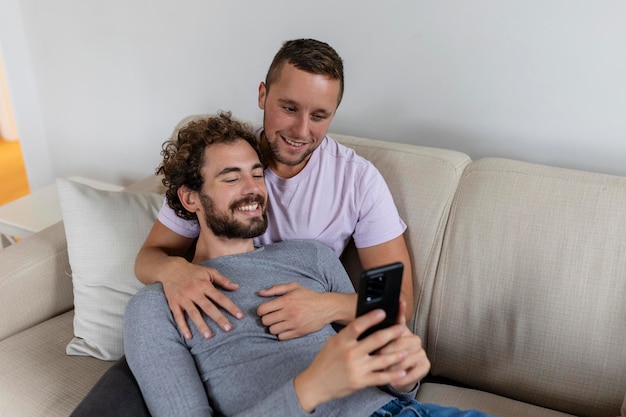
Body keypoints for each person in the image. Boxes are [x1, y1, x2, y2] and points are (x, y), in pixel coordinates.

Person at [124, 112, 493, 417]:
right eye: (232, 178)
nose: (252, 189)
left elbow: (385, 370)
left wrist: (403, 373)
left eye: (256, 173)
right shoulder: (154, 307)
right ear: (191, 198)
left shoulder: (311, 256)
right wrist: (309, 389)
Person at [134, 38, 414, 342]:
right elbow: (149, 257)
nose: (301, 131)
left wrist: (327, 306)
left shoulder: (358, 181)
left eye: (319, 116)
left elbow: (398, 299)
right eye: (290, 108)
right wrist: (174, 272)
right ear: (263, 95)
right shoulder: (226, 157)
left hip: (290, 339)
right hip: (205, 328)